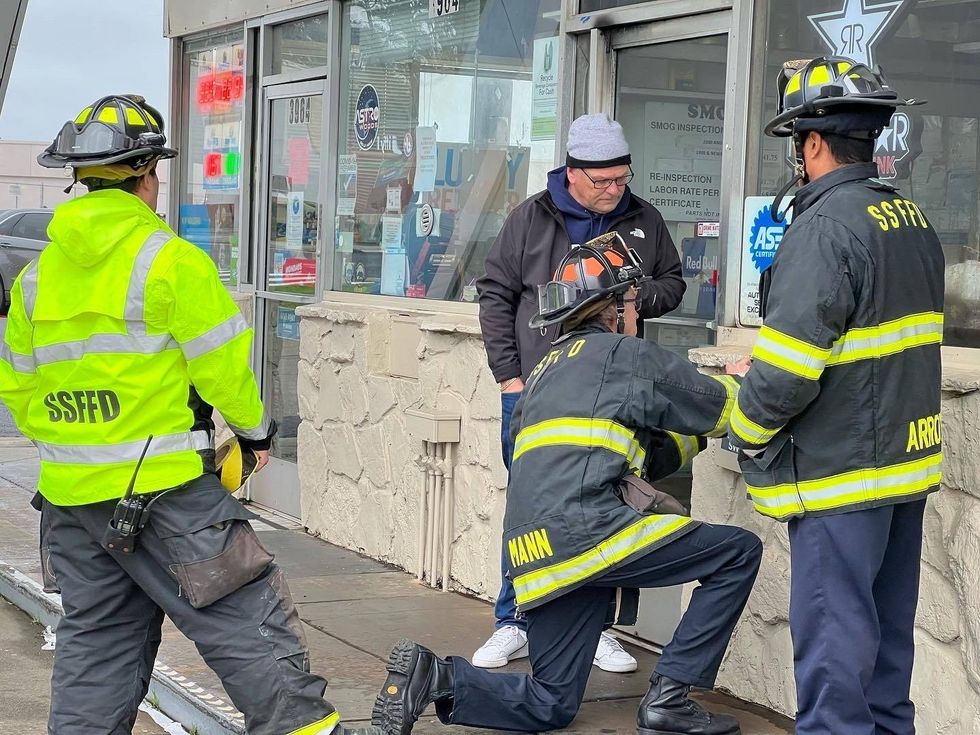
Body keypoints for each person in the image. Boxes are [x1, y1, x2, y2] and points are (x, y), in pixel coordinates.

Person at [0, 95, 379, 735]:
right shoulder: (170, 261)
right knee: (249, 630)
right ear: (146, 174)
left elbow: (21, 392)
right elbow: (224, 372)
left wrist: (84, 446)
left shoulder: (36, 278)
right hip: (169, 497)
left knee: (97, 649)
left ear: (78, 180)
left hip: (72, 504)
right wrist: (257, 436)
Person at [371, 234, 761, 735]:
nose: (639, 315)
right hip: (589, 532)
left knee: (549, 702)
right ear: (611, 310)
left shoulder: (542, 376)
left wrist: (693, 444)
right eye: (634, 304)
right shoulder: (623, 354)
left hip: (534, 553)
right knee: (737, 552)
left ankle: (435, 677)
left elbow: (637, 454)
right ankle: (671, 698)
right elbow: (722, 407)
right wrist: (744, 378)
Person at [727, 57, 943, 735]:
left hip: (839, 481)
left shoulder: (822, 229)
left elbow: (788, 372)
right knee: (883, 674)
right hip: (898, 477)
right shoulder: (910, 219)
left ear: (814, 143)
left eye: (797, 142)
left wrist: (745, 428)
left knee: (833, 674)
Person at [473, 112, 686, 673]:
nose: (616, 191)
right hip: (536, 388)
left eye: (623, 179)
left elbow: (674, 283)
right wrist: (508, 377)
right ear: (572, 172)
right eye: (603, 182)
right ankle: (514, 620)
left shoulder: (644, 219)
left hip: (615, 391)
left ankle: (595, 627)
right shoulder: (529, 220)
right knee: (531, 503)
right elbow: (494, 294)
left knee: (609, 502)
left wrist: (635, 292)